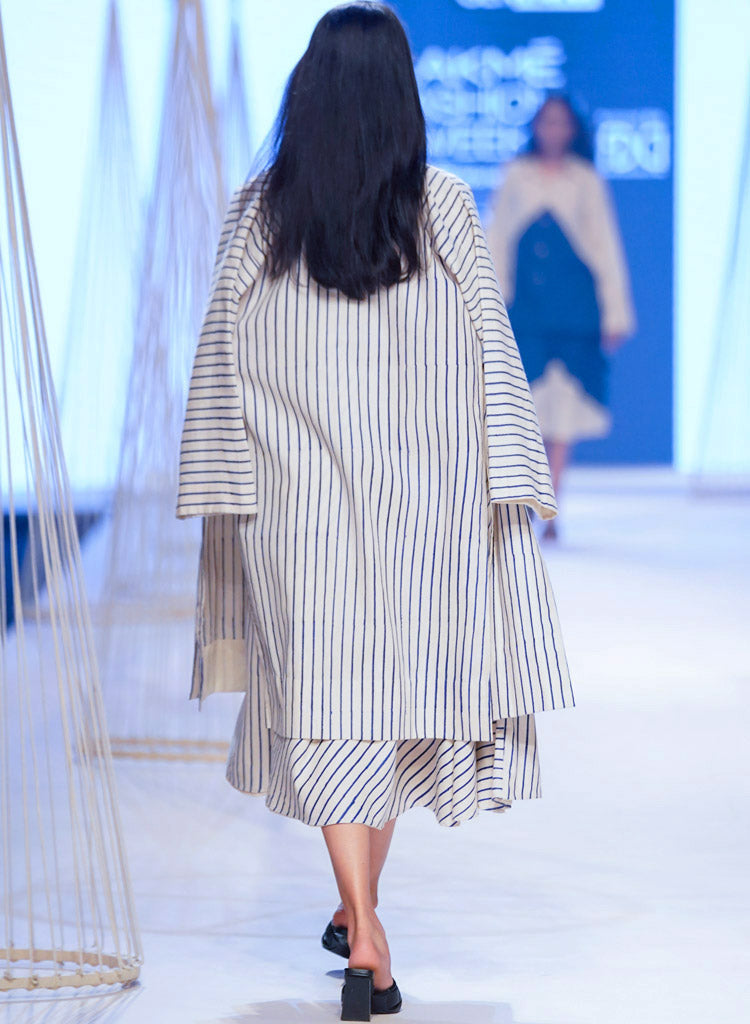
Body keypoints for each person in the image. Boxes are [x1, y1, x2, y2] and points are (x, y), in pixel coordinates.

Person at [175, 5, 575, 1019]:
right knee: (392, 707)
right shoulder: (441, 205)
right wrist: (513, 478)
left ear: (307, 92)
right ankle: (364, 926)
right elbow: (490, 349)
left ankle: (361, 922)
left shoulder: (260, 213)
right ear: (403, 97)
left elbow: (222, 355)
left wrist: (222, 480)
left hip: (298, 512)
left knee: (327, 705)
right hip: (422, 512)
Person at [486, 94, 637, 540]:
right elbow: (497, 241)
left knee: (564, 410)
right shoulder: (516, 175)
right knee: (526, 410)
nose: (553, 130)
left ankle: (553, 507)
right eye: (546, 122)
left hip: (574, 308)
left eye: (561, 122)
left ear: (572, 129)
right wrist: (491, 303)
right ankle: (529, 502)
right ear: (535, 127)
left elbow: (605, 246)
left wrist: (615, 312)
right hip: (527, 309)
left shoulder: (586, 180)